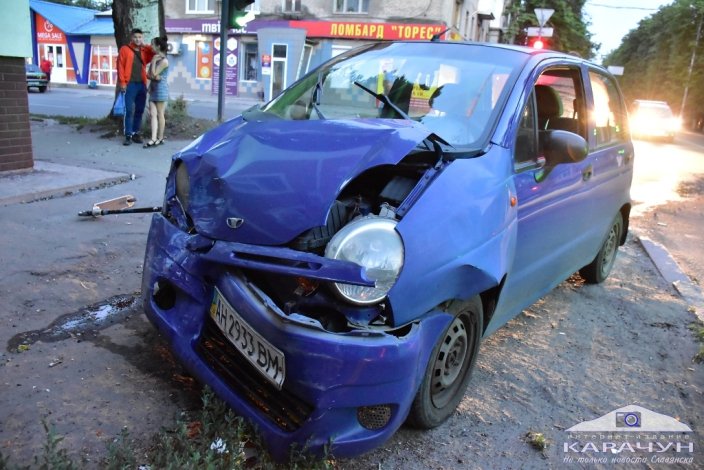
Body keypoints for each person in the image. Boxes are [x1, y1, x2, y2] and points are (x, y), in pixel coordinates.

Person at [117, 28, 155, 146]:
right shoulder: (125, 49)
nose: (137, 39)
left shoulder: (144, 50)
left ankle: (135, 133)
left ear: (142, 38)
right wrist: (122, 83)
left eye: (139, 37)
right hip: (129, 84)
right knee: (129, 110)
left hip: (141, 84)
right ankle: (128, 135)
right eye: (135, 37)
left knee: (139, 110)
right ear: (131, 38)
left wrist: (144, 45)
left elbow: (154, 52)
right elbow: (120, 66)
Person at [144, 36, 169, 148]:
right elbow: (149, 75)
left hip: (161, 90)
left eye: (153, 44)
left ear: (158, 46)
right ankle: (153, 138)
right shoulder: (156, 58)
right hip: (153, 89)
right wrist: (154, 75)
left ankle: (160, 137)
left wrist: (153, 61)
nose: (151, 46)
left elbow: (153, 73)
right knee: (153, 114)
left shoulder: (164, 61)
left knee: (160, 114)